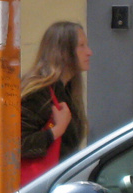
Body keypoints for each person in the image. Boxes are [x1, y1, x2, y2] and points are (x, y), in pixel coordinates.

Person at [20, 21, 92, 163]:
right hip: (39, 182)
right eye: (81, 46)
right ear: (63, 52)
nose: (89, 52)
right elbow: (17, 145)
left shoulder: (67, 88)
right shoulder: (38, 91)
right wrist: (57, 130)